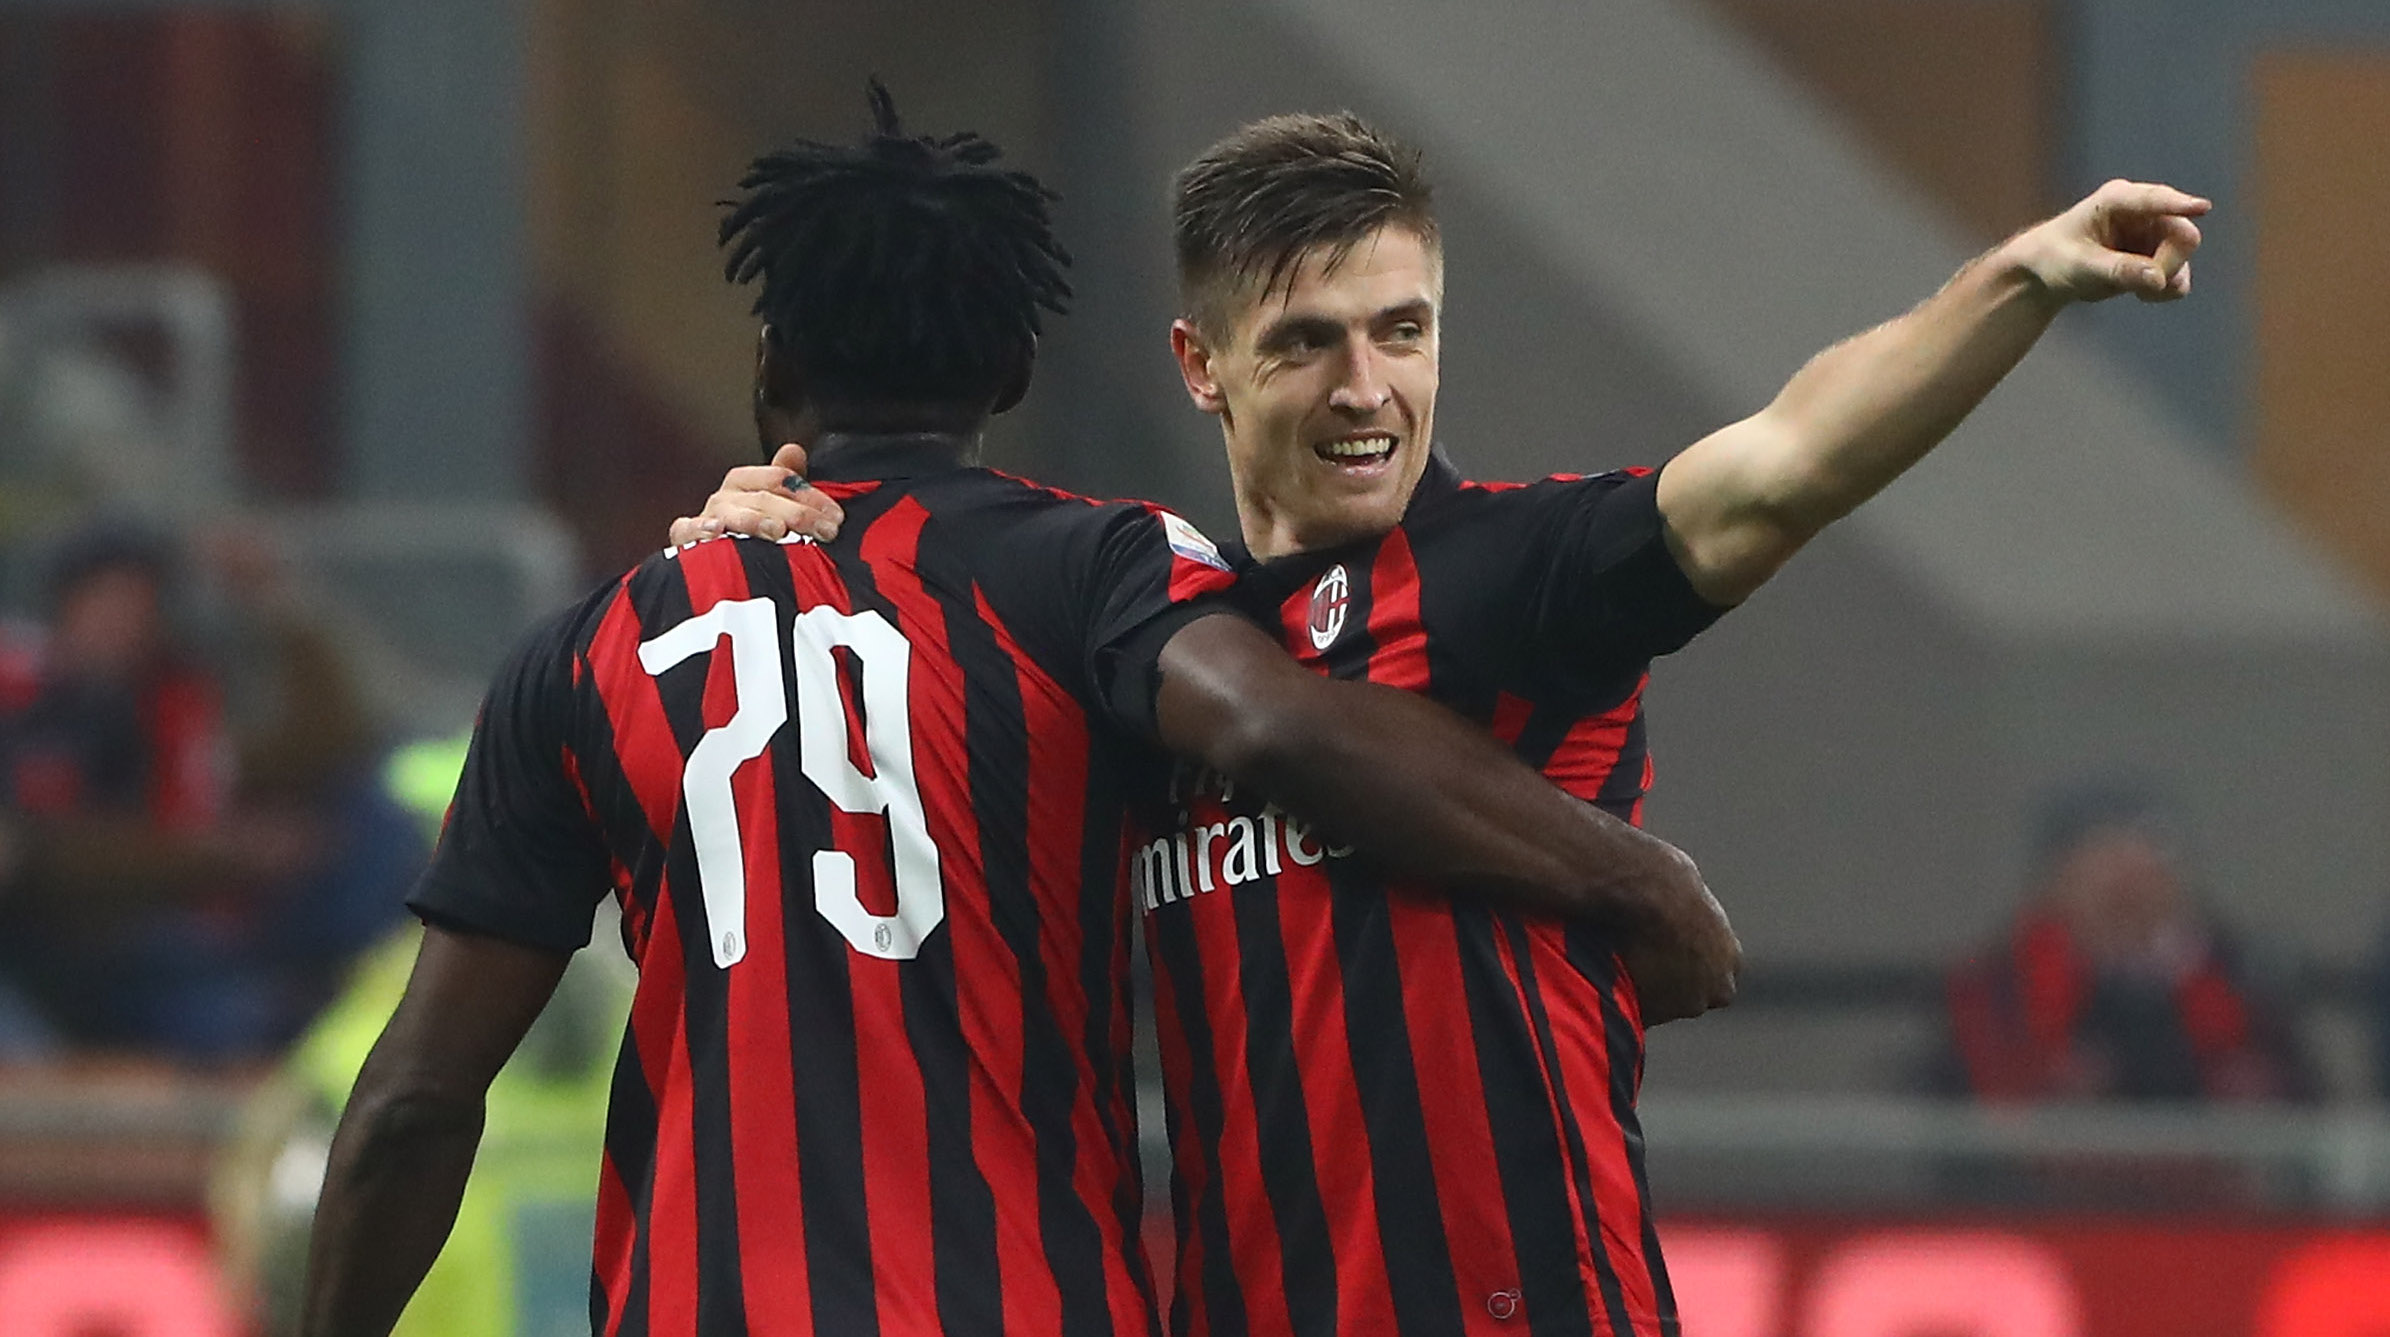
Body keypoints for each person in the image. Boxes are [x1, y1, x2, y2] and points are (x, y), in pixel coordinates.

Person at [684, 109, 2205, 1335]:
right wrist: (758, 529)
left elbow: (1786, 457)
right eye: (1307, 342)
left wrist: (2025, 277)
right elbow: (876, 644)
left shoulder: (1510, 576)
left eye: (1401, 330)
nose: (1369, 389)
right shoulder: (1133, 630)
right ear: (1198, 366)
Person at [300, 87, 1735, 1337]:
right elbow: (1281, 723)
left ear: (768, 370)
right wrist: (1625, 874)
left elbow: (419, 1097)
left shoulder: (586, 654)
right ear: (1011, 373)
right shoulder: (1102, 574)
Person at [1943, 784, 2314, 1104]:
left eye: (2149, 858)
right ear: (2056, 882)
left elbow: (2301, 1104)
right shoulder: (2000, 984)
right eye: (2103, 858)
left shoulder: (2237, 979)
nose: (2129, 883)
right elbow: (1955, 1109)